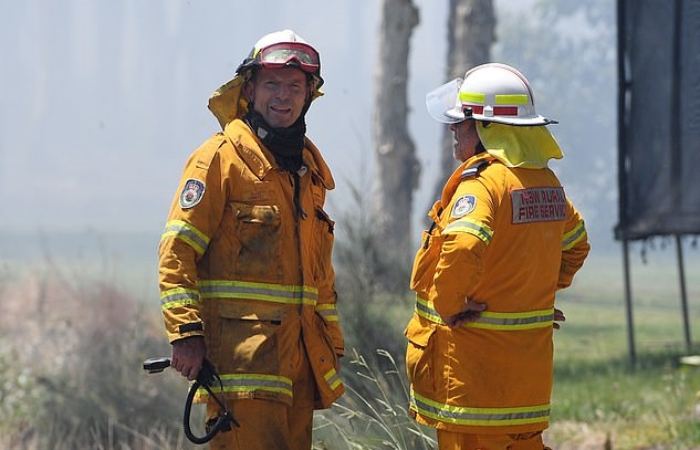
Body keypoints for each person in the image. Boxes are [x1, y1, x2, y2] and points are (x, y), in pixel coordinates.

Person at [157, 29, 344, 450]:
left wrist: (331, 342)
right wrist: (186, 333)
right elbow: (177, 250)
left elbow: (319, 275)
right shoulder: (219, 160)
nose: (283, 96)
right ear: (250, 90)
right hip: (241, 370)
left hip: (299, 367)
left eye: (295, 86)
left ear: (308, 96)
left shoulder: (307, 173)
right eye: (272, 84)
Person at [404, 63, 590, 450]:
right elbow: (576, 246)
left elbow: (463, 247)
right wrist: (531, 292)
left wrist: (450, 307)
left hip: (474, 390)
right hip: (526, 393)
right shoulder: (547, 184)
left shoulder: (483, 185)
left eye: (463, 122)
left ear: (487, 128)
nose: (454, 130)